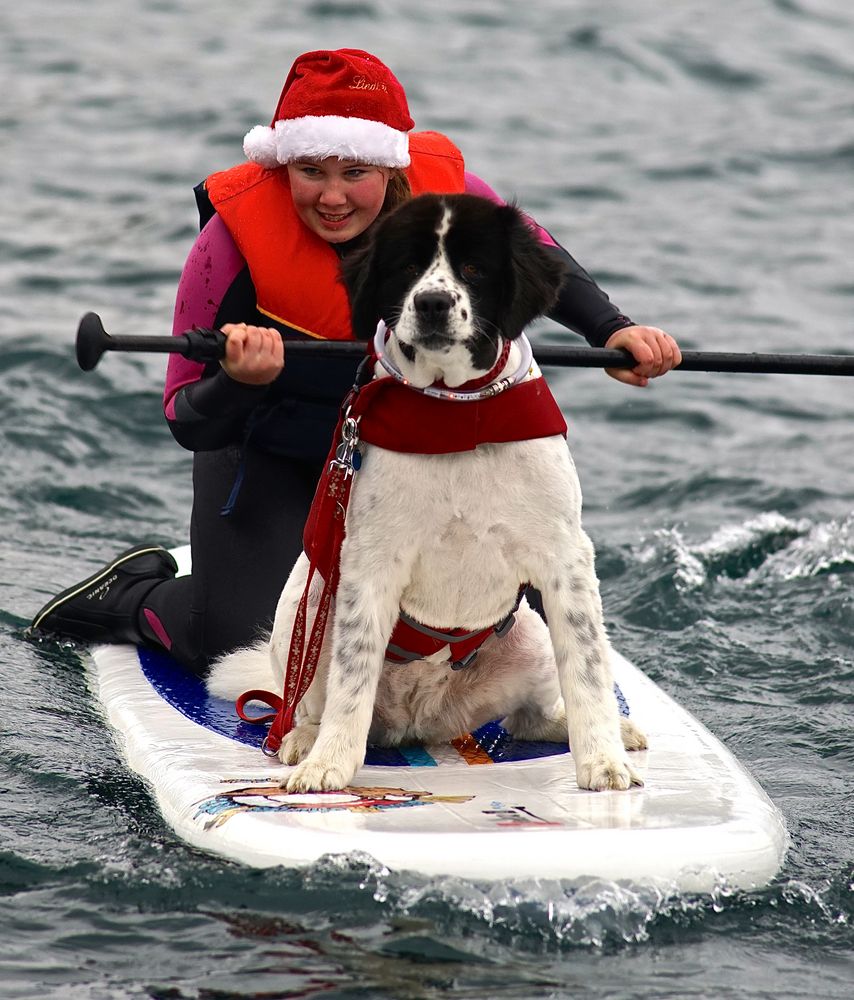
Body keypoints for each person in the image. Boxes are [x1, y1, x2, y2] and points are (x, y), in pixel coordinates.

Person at [30, 48, 681, 672]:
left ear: (392, 171)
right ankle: (134, 596)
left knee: (521, 621)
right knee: (241, 647)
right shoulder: (228, 242)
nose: (332, 197)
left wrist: (616, 331)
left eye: (354, 174)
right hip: (276, 459)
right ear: (283, 167)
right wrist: (239, 382)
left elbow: (542, 264)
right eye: (310, 171)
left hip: (416, 457)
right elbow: (187, 421)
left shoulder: (454, 201)